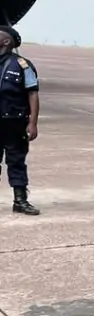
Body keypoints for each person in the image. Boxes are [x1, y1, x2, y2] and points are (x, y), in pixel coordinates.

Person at [0, 26, 40, 215]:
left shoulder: (23, 65)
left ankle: (20, 201)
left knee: (16, 161)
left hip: (14, 123)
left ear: (6, 41)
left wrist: (33, 123)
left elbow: (33, 93)